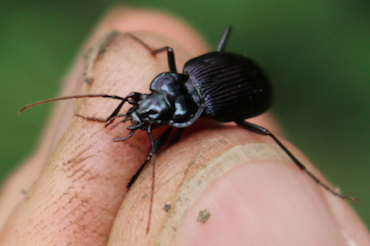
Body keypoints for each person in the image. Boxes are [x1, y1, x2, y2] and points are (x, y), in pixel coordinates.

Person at [0, 8, 369, 245]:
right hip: (226, 76)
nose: (141, 114)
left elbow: (159, 145)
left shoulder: (199, 104)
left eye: (149, 114)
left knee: (264, 133)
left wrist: (145, 166)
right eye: (145, 108)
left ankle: (309, 177)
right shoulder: (175, 85)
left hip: (247, 88)